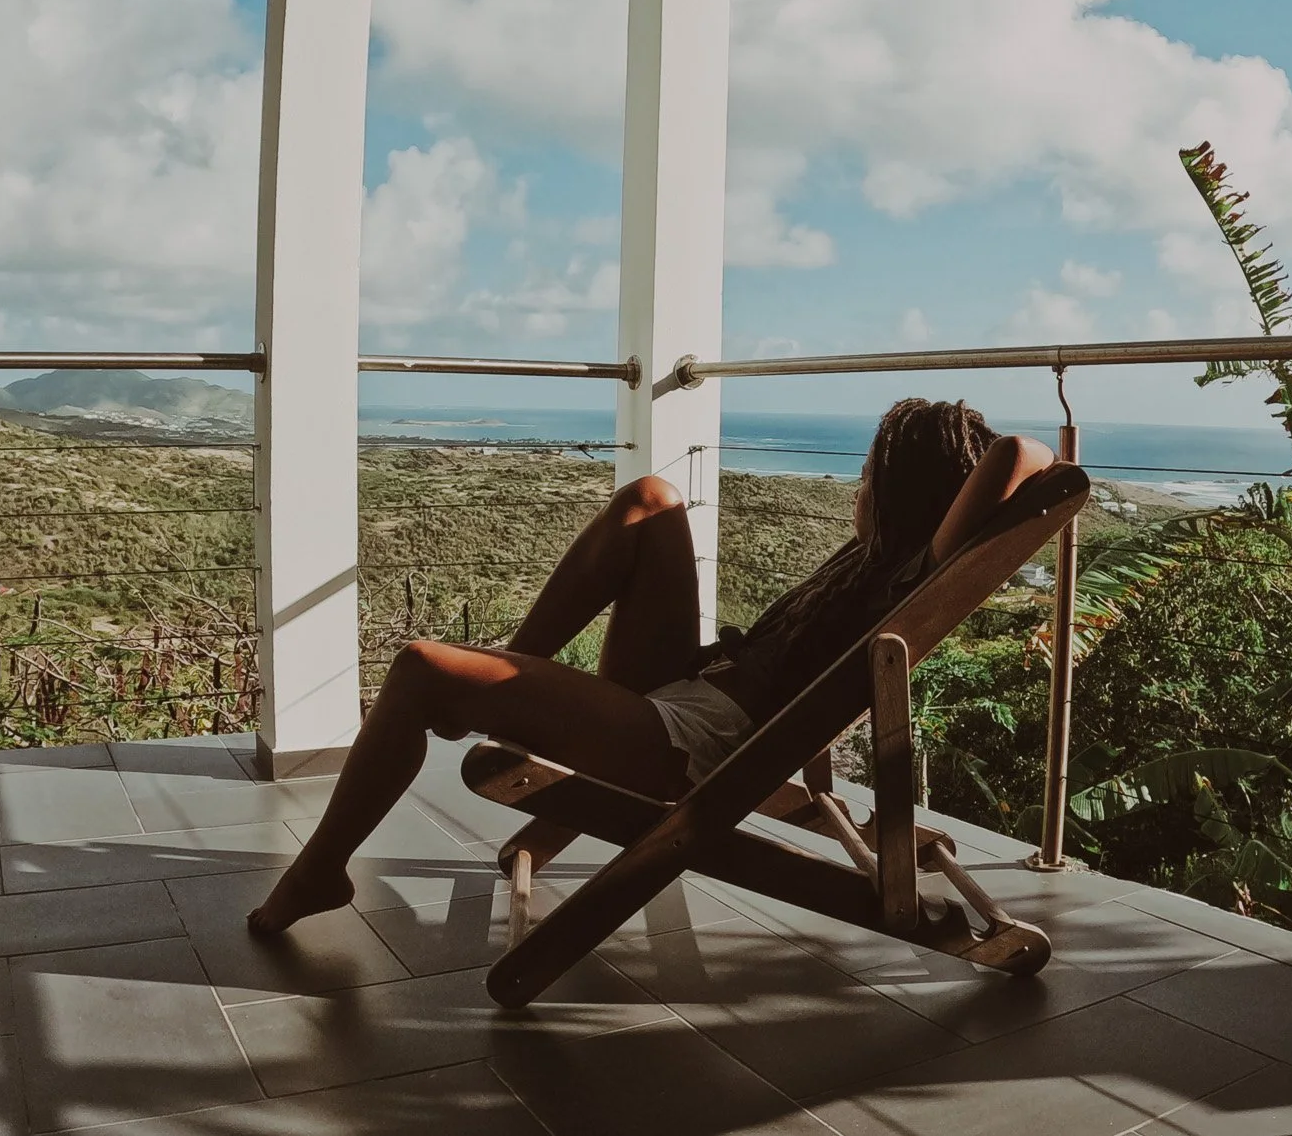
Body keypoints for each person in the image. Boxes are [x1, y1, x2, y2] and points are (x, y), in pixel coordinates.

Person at [247, 397, 1053, 935]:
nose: (859, 482)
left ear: (908, 489)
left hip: (688, 741)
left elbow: (1024, 452)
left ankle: (320, 870)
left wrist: (968, 447)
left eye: (873, 470)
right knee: (651, 499)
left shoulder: (915, 569)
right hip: (695, 686)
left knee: (421, 666)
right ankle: (502, 675)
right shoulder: (877, 559)